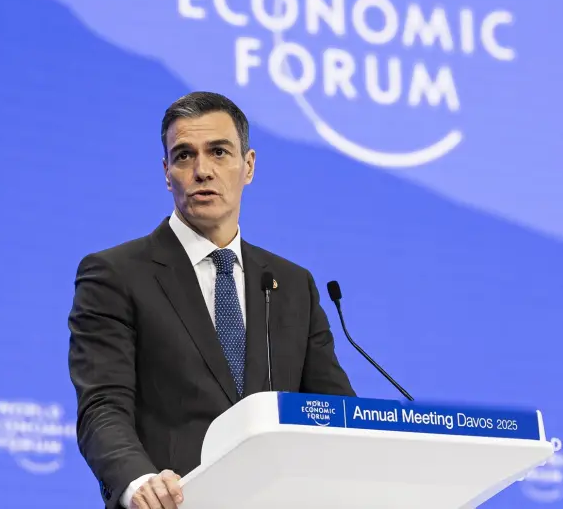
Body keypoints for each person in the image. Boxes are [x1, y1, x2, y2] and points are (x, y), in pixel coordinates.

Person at [67, 91, 356, 509]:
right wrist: (139, 481)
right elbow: (102, 407)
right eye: (184, 156)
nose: (202, 170)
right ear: (167, 173)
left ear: (248, 166)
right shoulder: (116, 274)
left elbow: (337, 413)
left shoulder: (293, 285)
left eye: (219, 152)